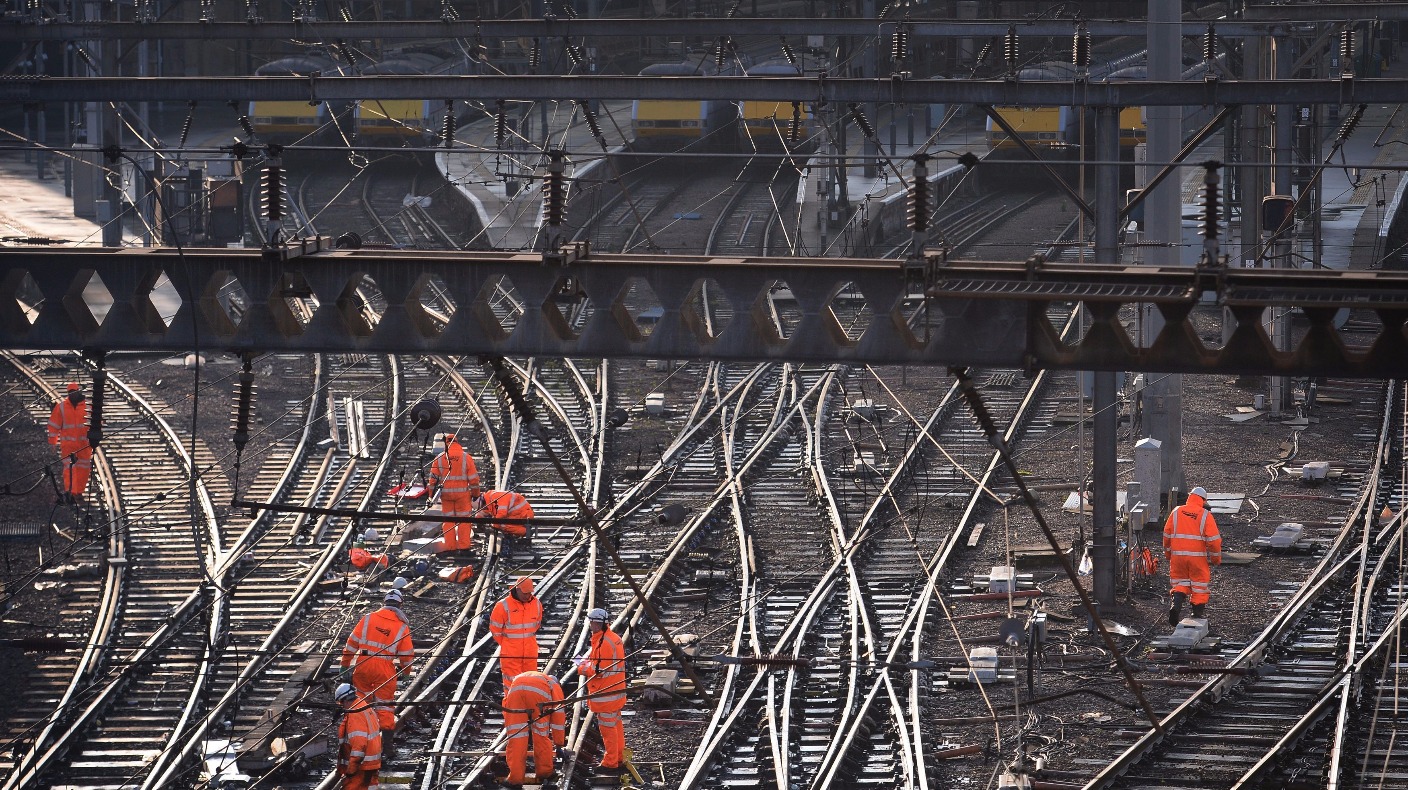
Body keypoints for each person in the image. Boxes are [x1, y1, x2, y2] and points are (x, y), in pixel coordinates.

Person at [341, 589, 415, 753]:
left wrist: (345, 664)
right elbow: (407, 655)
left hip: (363, 664)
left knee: (361, 704)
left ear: (384, 603)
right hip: (384, 669)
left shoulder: (368, 619)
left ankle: (359, 743)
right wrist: (406, 672)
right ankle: (387, 748)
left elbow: (351, 643)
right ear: (400, 605)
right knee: (385, 707)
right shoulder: (402, 627)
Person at [575, 607, 626, 771]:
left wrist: (582, 668)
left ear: (597, 623)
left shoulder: (604, 642)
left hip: (606, 694)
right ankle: (618, 758)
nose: (590, 625)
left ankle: (610, 763)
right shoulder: (613, 638)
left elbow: (598, 670)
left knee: (608, 729)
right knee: (616, 725)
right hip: (616, 691)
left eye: (591, 622)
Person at [1164, 486, 1222, 625]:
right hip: (1197, 558)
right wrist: (1215, 559)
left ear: (1190, 497)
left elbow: (1166, 535)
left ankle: (1176, 605)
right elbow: (1214, 541)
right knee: (1199, 585)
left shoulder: (1176, 511)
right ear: (1203, 500)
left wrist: (1168, 554)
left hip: (1177, 557)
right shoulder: (1205, 515)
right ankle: (1196, 614)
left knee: (1180, 583)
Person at [500, 671, 566, 785]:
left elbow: (506, 704)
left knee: (516, 737)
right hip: (537, 697)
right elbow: (558, 719)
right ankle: (545, 773)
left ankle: (514, 780)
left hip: (515, 692)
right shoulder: (554, 686)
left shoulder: (534, 676)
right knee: (541, 734)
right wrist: (559, 744)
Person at [428, 433, 481, 552]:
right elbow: (474, 479)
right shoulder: (465, 457)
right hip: (462, 495)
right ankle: (463, 547)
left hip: (446, 496)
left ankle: (450, 547)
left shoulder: (439, 458)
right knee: (464, 521)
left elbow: (432, 480)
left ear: (446, 443)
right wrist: (476, 494)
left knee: (448, 521)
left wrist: (431, 496)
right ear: (457, 442)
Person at [490, 577, 542, 683]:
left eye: (529, 593)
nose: (528, 596)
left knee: (531, 683)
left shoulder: (536, 604)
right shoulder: (503, 605)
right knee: (512, 684)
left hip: (530, 653)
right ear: (517, 590)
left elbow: (537, 625)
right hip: (511, 654)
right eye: (525, 593)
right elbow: (495, 630)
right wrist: (508, 645)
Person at [47, 382, 92, 503]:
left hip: (84, 445)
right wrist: (52, 442)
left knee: (83, 469)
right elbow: (54, 425)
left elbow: (97, 423)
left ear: (78, 391)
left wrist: (94, 438)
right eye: (70, 392)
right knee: (70, 469)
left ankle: (79, 492)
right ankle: (71, 493)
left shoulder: (88, 407)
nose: (72, 394)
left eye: (74, 392)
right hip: (69, 446)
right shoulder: (61, 407)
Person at [336, 682, 383, 790]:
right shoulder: (365, 707)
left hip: (361, 766)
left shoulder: (355, 714)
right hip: (372, 762)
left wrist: (351, 770)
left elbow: (359, 746)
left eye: (340, 703)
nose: (341, 706)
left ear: (345, 699)